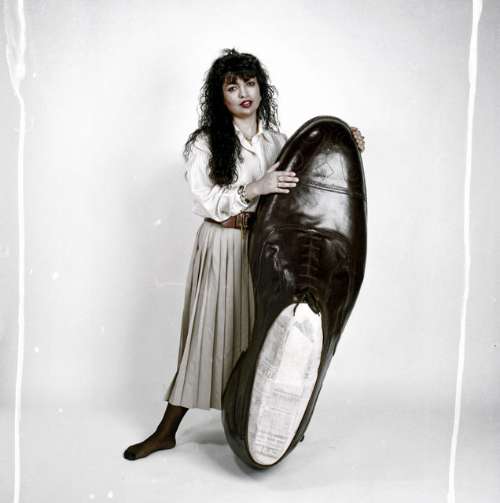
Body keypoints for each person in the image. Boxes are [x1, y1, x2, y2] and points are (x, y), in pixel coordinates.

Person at [123, 48, 365, 461]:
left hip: (267, 249)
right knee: (207, 336)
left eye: (250, 83)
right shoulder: (205, 144)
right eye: (232, 87)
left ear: (261, 88)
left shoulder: (277, 141)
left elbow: (311, 177)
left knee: (262, 335)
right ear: (220, 96)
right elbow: (205, 200)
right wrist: (255, 188)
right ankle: (166, 432)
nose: (243, 93)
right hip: (223, 244)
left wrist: (346, 142)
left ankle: (265, 429)